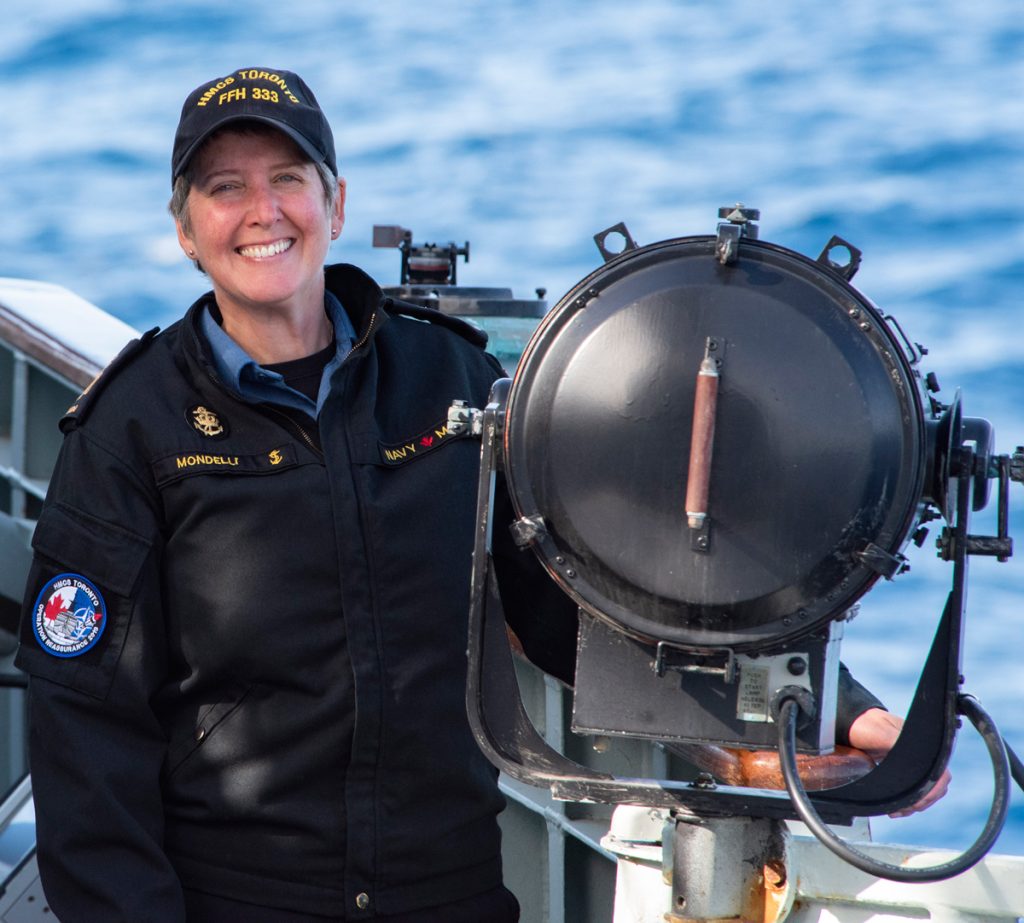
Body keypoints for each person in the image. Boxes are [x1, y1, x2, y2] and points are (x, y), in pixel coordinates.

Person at [16, 67, 944, 922]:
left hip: (446, 888)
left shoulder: (447, 380)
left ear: (335, 205)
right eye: (225, 187)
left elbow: (583, 592)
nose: (264, 210)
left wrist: (822, 703)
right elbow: (87, 730)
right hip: (242, 898)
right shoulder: (131, 429)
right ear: (185, 230)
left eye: (289, 178)